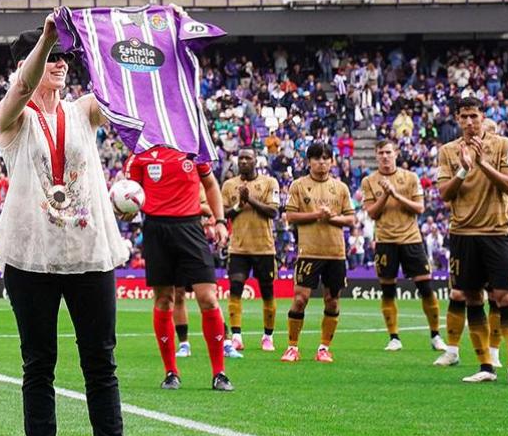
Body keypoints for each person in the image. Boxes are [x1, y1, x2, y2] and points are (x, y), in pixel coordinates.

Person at [0, 17, 155, 436]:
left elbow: (121, 100)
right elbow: (19, 93)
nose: (60, 64)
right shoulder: (15, 119)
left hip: (88, 252)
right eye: (51, 58)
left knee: (100, 361)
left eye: (65, 57)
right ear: (29, 63)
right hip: (31, 255)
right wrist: (46, 38)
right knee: (39, 362)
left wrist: (121, 45)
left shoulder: (83, 109)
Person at [127, 141, 233, 391]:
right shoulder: (141, 151)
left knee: (208, 297)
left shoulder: (192, 146)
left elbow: (210, 185)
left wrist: (219, 221)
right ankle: (171, 372)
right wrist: (126, 210)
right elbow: (130, 193)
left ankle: (219, 373)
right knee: (164, 299)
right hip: (155, 229)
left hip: (190, 228)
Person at [434, 97, 508, 385]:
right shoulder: (448, 151)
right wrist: (463, 168)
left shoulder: (502, 145)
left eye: (474, 116)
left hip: (497, 232)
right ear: (457, 119)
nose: (470, 122)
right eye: (464, 117)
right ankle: (485, 365)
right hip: (463, 234)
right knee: (472, 297)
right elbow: (445, 195)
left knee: (506, 297)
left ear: (483, 116)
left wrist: (482, 164)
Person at [359, 139, 441, 352]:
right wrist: (386, 194)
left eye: (388, 152)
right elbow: (372, 213)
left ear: (396, 153)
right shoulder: (369, 181)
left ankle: (435, 335)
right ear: (376, 156)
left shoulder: (410, 177)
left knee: (426, 288)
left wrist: (396, 194)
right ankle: (394, 337)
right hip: (385, 240)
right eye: (380, 153)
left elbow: (420, 208)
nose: (385, 156)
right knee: (388, 290)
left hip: (411, 239)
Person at [281, 143, 356, 363]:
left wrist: (330, 217)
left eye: (325, 158)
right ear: (309, 161)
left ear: (332, 161)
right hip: (309, 252)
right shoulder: (299, 185)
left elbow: (350, 219)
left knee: (332, 301)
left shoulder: (340, 188)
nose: (321, 162)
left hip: (335, 253)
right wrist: (316, 215)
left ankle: (324, 348)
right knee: (300, 299)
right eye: (316, 158)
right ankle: (292, 347)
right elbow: (290, 217)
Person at [220, 149, 281, 352]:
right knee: (235, 289)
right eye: (241, 158)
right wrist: (239, 205)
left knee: (267, 292)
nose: (244, 161)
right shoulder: (229, 185)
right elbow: (223, 213)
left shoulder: (269, 183)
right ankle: (237, 336)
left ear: (256, 161)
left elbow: (273, 212)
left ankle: (268, 337)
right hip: (238, 248)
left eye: (248, 158)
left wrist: (250, 200)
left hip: (264, 248)